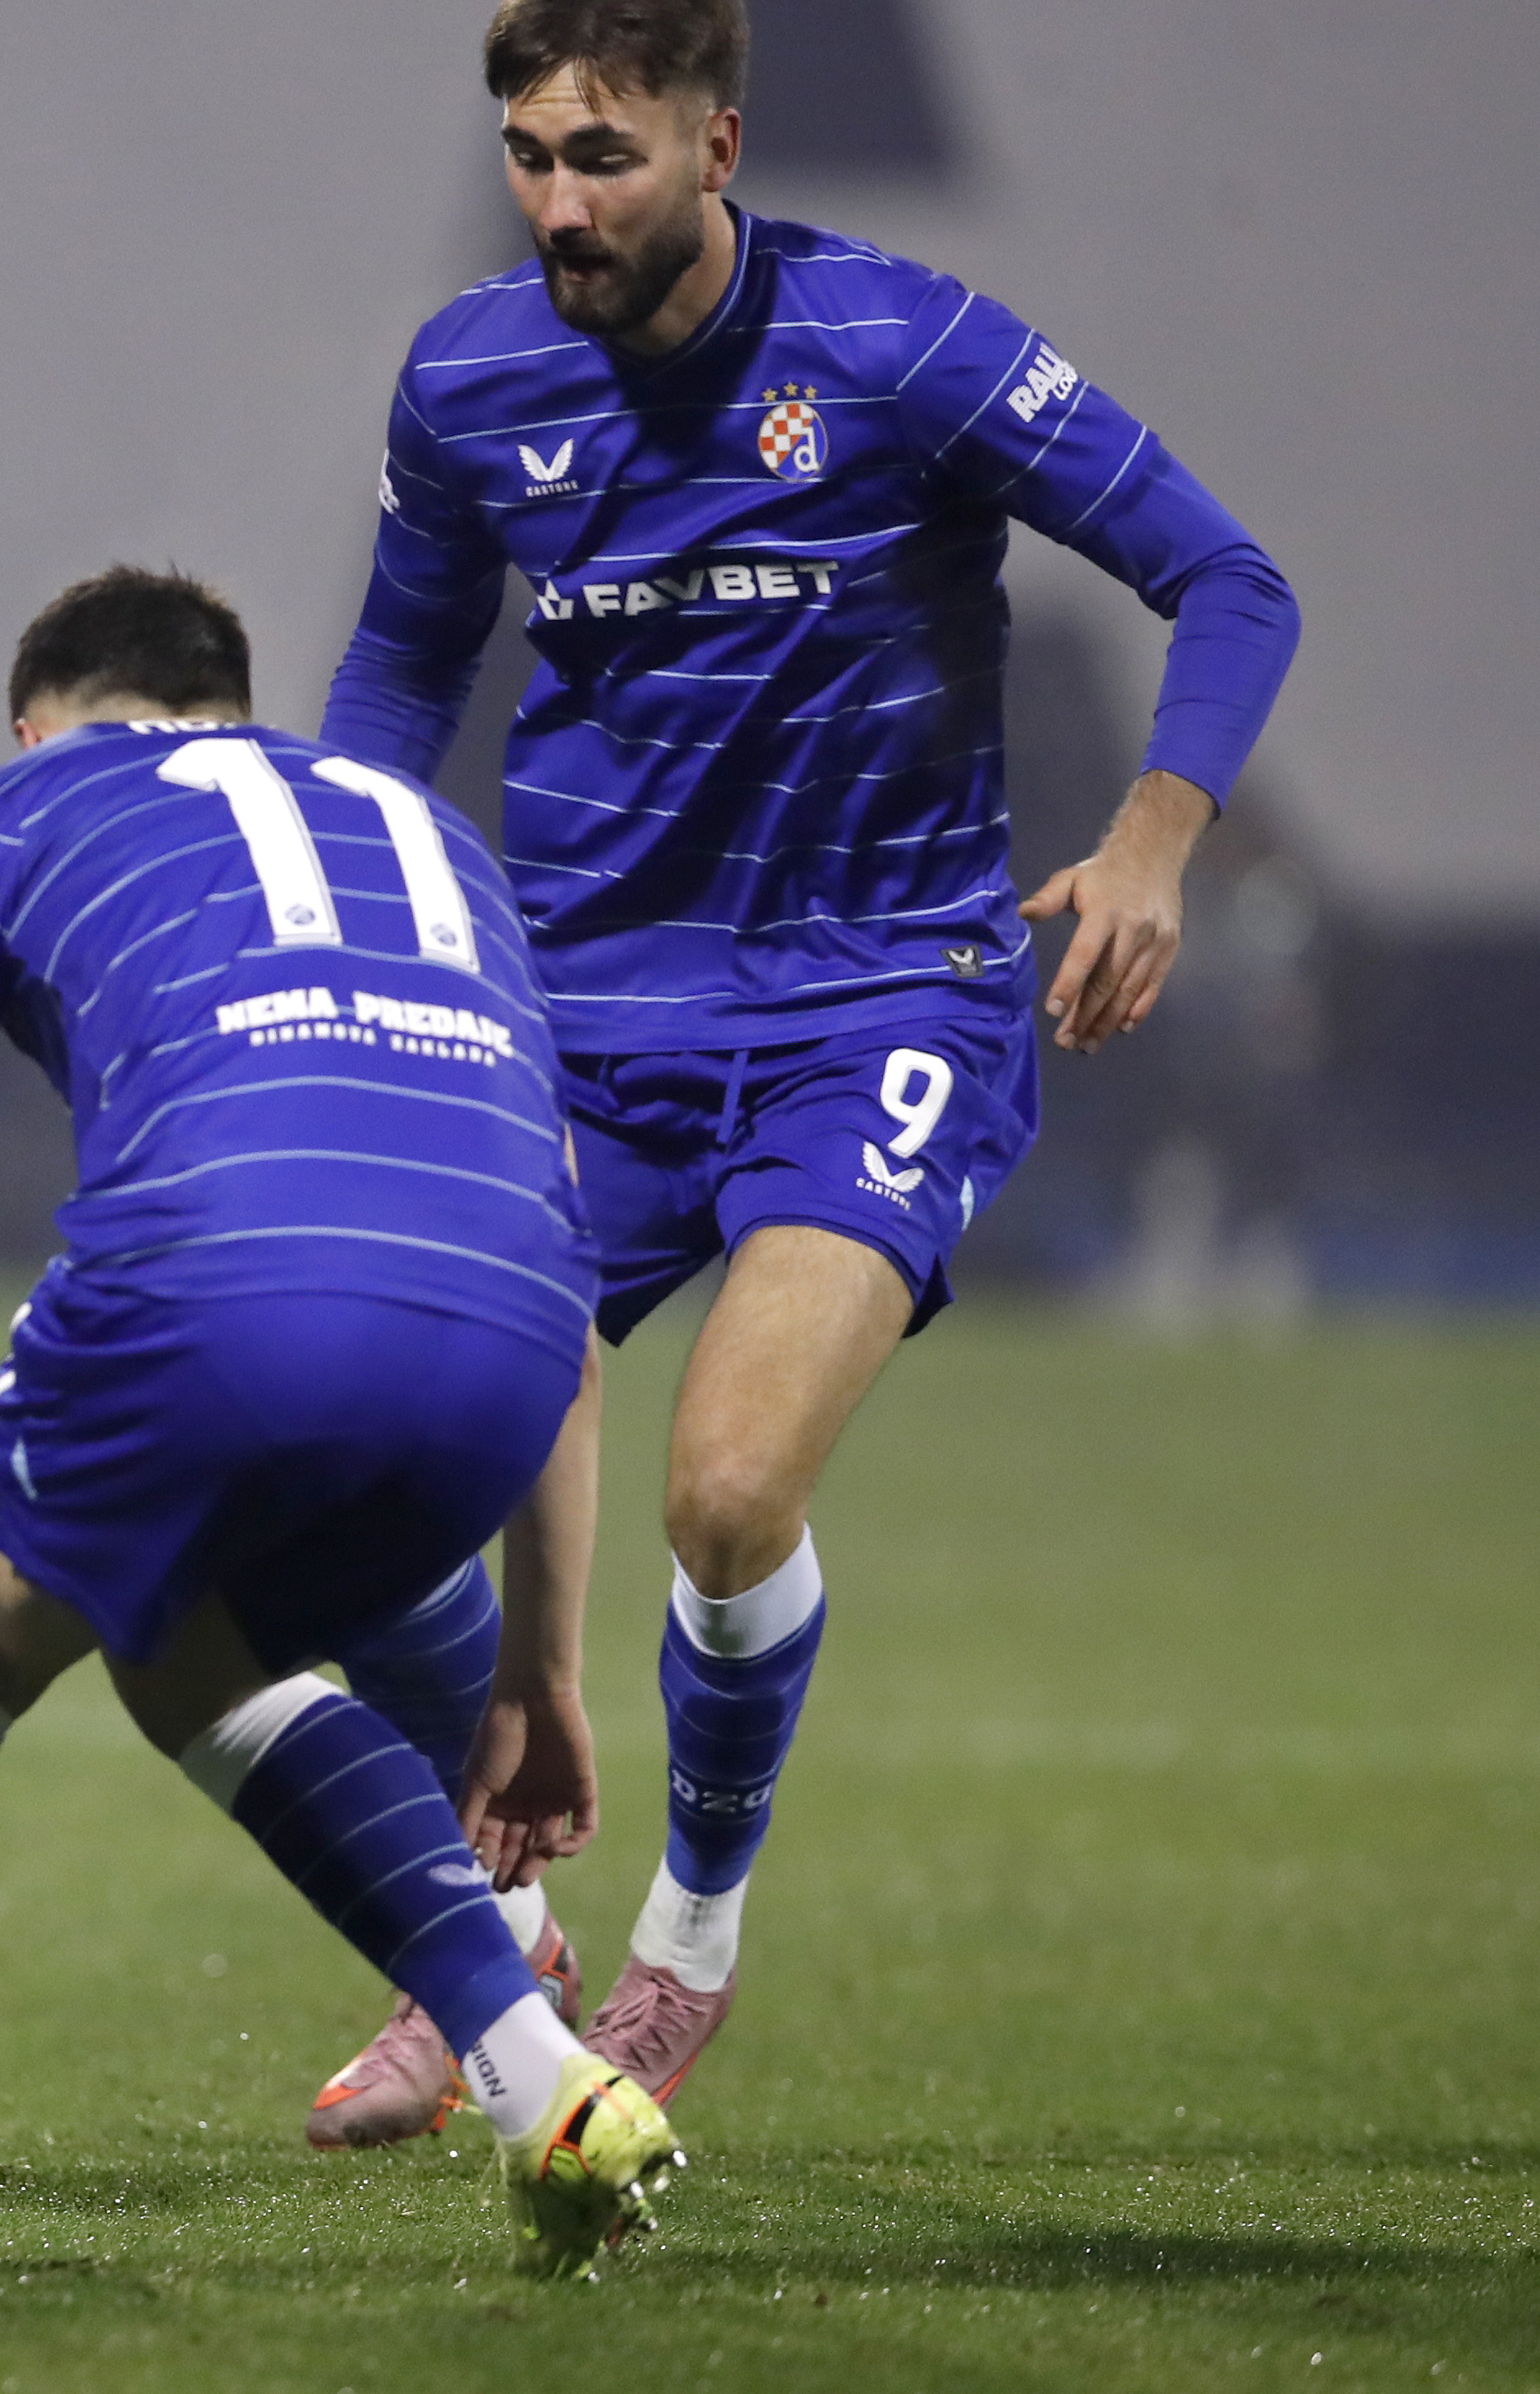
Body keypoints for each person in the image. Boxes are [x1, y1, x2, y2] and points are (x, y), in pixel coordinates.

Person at [301, 0, 1300, 2137]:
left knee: (727, 1487)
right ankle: (495, 1951)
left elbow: (1221, 576)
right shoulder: (470, 376)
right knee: (357, 1467)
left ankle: (682, 1940)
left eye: (601, 157)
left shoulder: (898, 349)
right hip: (576, 1026)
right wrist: (335, 918)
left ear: (714, 142)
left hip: (882, 1007)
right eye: (525, 155)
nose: (557, 203)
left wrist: (1148, 837)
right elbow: (400, 661)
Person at [0, 568, 679, 2282]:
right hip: (515, 1335)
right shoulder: (428, 832)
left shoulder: (18, 801)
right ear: (228, 702)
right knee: (182, 1639)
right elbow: (561, 1248)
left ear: (38, 723)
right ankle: (549, 2080)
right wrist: (544, 1678)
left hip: (225, 1278)